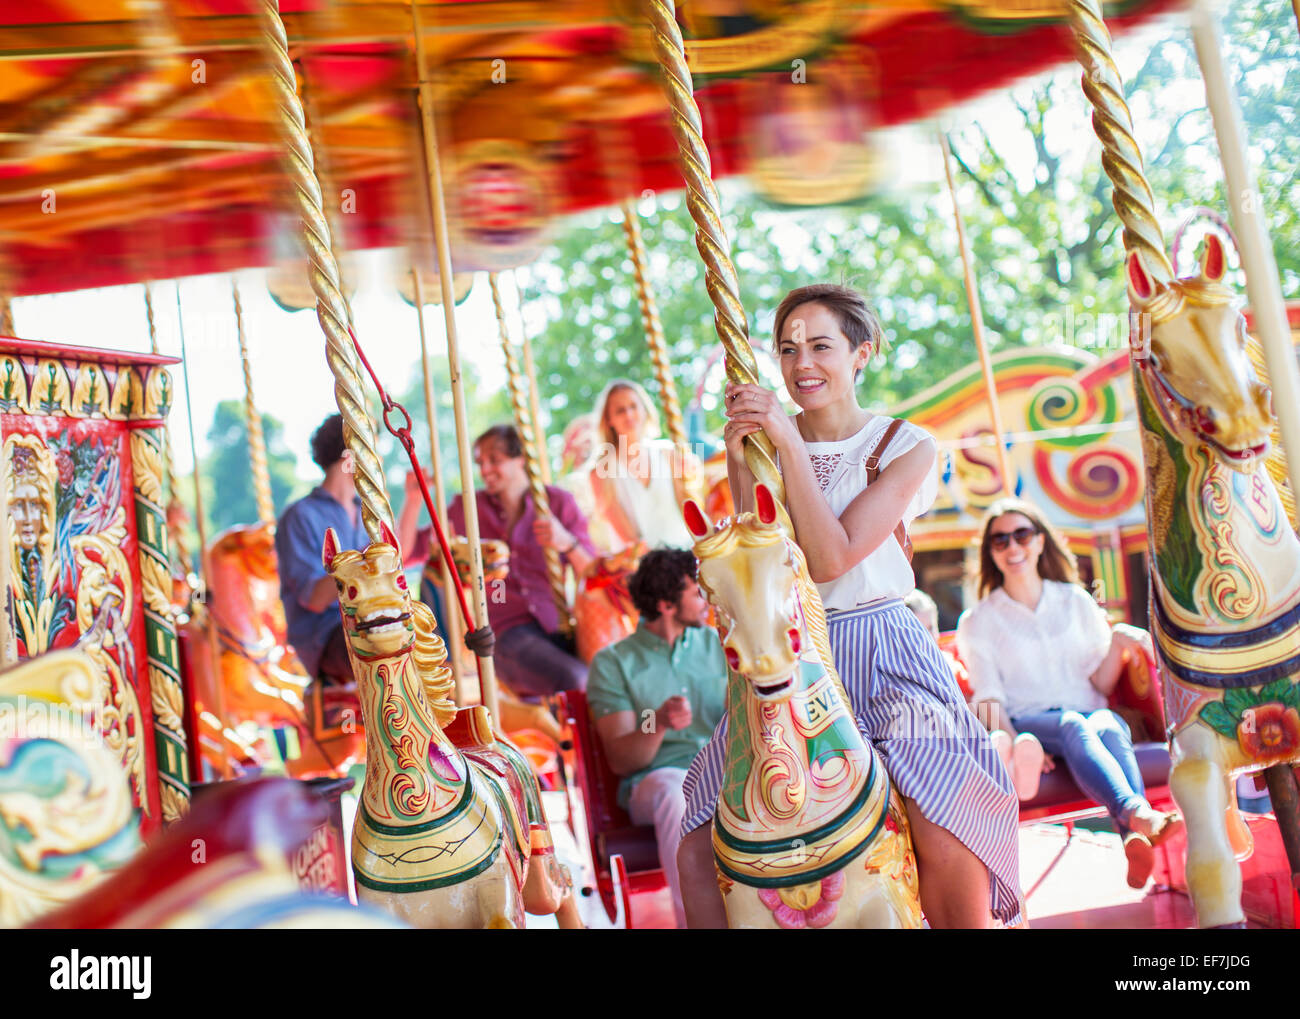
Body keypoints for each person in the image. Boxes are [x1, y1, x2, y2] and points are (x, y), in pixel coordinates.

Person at [677, 282, 1023, 929]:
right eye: (787, 349)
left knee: (936, 792)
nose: (801, 363)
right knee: (699, 834)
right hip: (793, 657)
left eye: (820, 346)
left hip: (883, 650)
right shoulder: (762, 446)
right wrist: (743, 458)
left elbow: (831, 557)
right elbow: (765, 558)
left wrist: (785, 443)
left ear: (860, 353)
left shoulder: (907, 446)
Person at [956, 497, 1182, 888]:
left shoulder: (1075, 600)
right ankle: (1137, 812)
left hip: (1088, 710)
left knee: (1109, 725)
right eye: (1000, 540)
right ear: (991, 552)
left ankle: (1133, 835)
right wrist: (1012, 740)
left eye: (1022, 535)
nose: (1013, 547)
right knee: (1074, 723)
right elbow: (987, 697)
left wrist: (1118, 643)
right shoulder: (979, 620)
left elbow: (1100, 683)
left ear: (1040, 541)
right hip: (1031, 718)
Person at [399, 424, 596, 697]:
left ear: (521, 460)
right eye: (480, 462)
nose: (485, 470)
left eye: (495, 460)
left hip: (557, 624)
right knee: (575, 679)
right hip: (506, 634)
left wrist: (567, 542)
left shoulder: (557, 503)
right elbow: (406, 554)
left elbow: (593, 571)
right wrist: (413, 500)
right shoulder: (467, 509)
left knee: (611, 678)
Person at [587, 548, 727, 928]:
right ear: (666, 604)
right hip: (654, 781)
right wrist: (658, 721)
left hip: (723, 774)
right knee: (675, 789)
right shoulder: (614, 662)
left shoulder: (719, 643)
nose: (706, 599)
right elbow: (621, 757)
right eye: (696, 592)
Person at [275, 414, 369, 686]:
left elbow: (401, 554)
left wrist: (413, 500)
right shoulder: (300, 516)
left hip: (366, 619)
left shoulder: (365, 510)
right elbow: (314, 599)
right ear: (351, 455)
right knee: (384, 638)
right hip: (326, 634)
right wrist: (362, 561)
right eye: (370, 448)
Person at [585, 379, 700, 553]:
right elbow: (630, 538)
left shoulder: (667, 452)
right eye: (620, 410)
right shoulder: (601, 472)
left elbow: (686, 504)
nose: (629, 414)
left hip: (682, 551)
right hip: (641, 565)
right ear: (609, 419)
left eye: (633, 406)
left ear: (644, 410)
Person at [903, 588, 973, 701]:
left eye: (931, 628)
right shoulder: (902, 674)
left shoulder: (953, 662)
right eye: (919, 631)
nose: (928, 638)